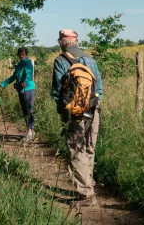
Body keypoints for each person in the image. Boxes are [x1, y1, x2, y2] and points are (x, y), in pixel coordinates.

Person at [51, 29, 104, 207]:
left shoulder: (60, 61)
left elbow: (58, 93)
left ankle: (86, 194)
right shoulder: (90, 59)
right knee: (89, 148)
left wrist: (63, 115)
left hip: (74, 114)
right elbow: (100, 90)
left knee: (76, 149)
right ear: (77, 41)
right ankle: (89, 183)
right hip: (93, 110)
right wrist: (92, 105)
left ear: (61, 42)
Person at [0, 46, 36, 142]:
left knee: (29, 109)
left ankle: (30, 131)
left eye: (23, 54)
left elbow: (29, 74)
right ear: (18, 55)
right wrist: (1, 84)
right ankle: (30, 130)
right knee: (25, 110)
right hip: (21, 89)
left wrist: (25, 81)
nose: (21, 56)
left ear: (26, 55)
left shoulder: (28, 63)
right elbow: (13, 77)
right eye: (20, 54)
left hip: (28, 88)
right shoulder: (19, 64)